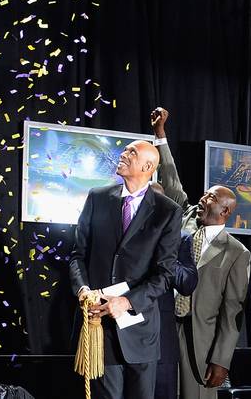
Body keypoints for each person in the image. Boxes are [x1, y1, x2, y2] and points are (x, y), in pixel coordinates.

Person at [70, 140, 182, 399]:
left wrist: (126, 301)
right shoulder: (97, 197)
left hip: (140, 332)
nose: (123, 154)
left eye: (132, 152)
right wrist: (83, 289)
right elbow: (78, 254)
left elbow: (164, 274)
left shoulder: (167, 212)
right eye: (125, 150)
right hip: (99, 328)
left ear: (148, 166)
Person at [152, 107, 251, 398]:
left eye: (210, 197)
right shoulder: (182, 219)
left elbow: (233, 310)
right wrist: (160, 135)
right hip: (165, 328)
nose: (202, 199)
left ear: (225, 210)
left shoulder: (236, 252)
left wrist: (222, 360)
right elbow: (171, 180)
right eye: (205, 194)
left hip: (201, 342)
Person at [149, 181, 200, 399]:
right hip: (123, 333)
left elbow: (188, 283)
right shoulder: (119, 234)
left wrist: (162, 248)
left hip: (161, 339)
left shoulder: (180, 239)